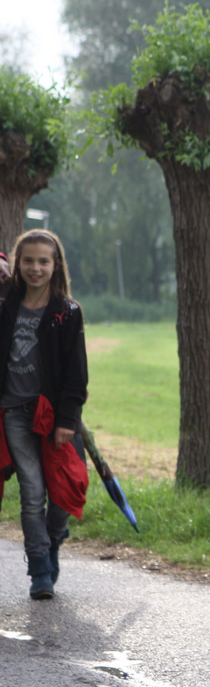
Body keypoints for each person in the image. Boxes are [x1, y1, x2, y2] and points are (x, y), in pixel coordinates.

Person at [0, 230, 89, 601]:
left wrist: (68, 419)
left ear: (56, 265)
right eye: (28, 260)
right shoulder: (5, 306)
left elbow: (76, 374)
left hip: (52, 416)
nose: (35, 268)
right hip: (15, 413)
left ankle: (53, 541)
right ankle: (39, 570)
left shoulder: (67, 313)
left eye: (43, 261)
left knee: (61, 492)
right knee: (32, 492)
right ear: (17, 264)